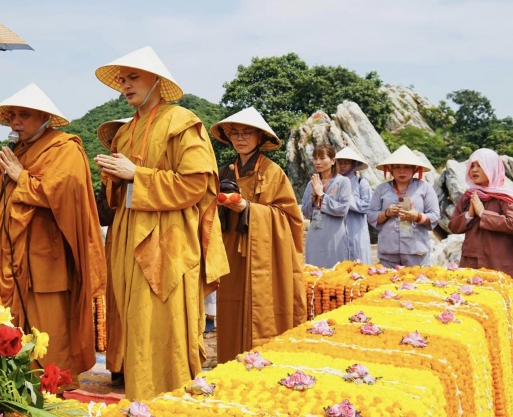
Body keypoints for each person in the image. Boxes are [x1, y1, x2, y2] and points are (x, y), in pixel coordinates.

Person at [93, 46, 229, 400]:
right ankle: (139, 397)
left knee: (164, 319)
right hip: (126, 235)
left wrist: (136, 173)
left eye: (133, 77)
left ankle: (172, 398)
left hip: (167, 240)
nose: (125, 85)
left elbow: (195, 184)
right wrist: (114, 177)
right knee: (136, 319)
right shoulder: (125, 132)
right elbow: (118, 194)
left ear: (158, 81)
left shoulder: (182, 121)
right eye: (122, 79)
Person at [0, 83, 106, 388]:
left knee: (50, 328)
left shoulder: (65, 148)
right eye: (12, 117)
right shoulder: (12, 152)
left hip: (46, 257)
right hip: (10, 256)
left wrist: (21, 176)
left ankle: (54, 385)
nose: (16, 123)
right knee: (11, 324)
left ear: (45, 118)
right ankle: (13, 383)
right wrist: (3, 168)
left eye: (24, 115)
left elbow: (62, 193)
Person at [210, 107, 306, 363]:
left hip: (264, 254)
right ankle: (230, 362)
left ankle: (266, 362)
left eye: (246, 133)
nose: (240, 138)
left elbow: (289, 218)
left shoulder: (274, 172)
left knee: (263, 307)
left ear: (260, 137)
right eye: (235, 133)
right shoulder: (226, 172)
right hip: (231, 250)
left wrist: (247, 208)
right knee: (231, 304)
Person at [94, 117, 131, 386]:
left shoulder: (152, 171)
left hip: (150, 242)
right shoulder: (108, 176)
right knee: (118, 303)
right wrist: (112, 184)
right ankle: (120, 366)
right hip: (118, 242)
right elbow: (101, 215)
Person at [368, 145, 440, 268]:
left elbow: (435, 216)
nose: (402, 171)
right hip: (388, 251)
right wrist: (386, 213)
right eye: (397, 167)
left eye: (407, 167)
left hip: (416, 251)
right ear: (390, 170)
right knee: (387, 285)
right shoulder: (381, 189)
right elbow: (370, 215)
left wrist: (417, 217)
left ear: (414, 170)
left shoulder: (425, 188)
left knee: (416, 284)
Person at [448, 148, 513, 276]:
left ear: (492, 168)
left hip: (498, 263)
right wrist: (469, 215)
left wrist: (484, 214)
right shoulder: (468, 196)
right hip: (471, 261)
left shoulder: (505, 197)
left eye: (480, 165)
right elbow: (453, 226)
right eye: (472, 166)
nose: (474, 170)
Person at [300, 144, 353, 268]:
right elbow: (306, 213)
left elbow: (342, 210)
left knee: (334, 272)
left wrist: (322, 195)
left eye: (322, 158)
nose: (317, 162)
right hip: (315, 233)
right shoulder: (311, 184)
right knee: (313, 270)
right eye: (315, 158)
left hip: (334, 234)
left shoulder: (343, 182)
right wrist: (313, 198)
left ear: (333, 161)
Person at [335, 147, 372, 264]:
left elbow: (367, 206)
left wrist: (346, 199)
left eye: (346, 163)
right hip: (337, 231)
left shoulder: (361, 183)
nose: (342, 166)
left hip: (357, 230)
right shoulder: (332, 183)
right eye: (339, 163)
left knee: (360, 267)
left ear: (354, 164)